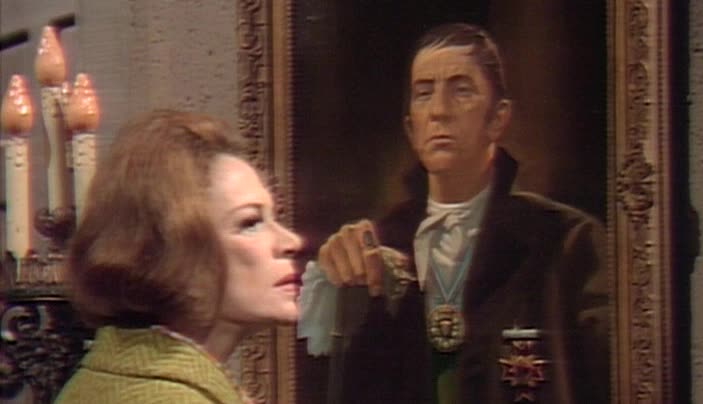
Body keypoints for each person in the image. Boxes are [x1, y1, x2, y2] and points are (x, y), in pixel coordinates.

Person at [299, 23, 608, 403]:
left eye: (462, 91)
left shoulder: (568, 241)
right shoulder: (375, 244)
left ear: (498, 118)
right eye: (424, 94)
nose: (439, 112)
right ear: (411, 128)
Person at [55, 110, 303, 403]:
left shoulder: (114, 376)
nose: (291, 242)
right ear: (174, 247)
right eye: (250, 223)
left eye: (275, 217)